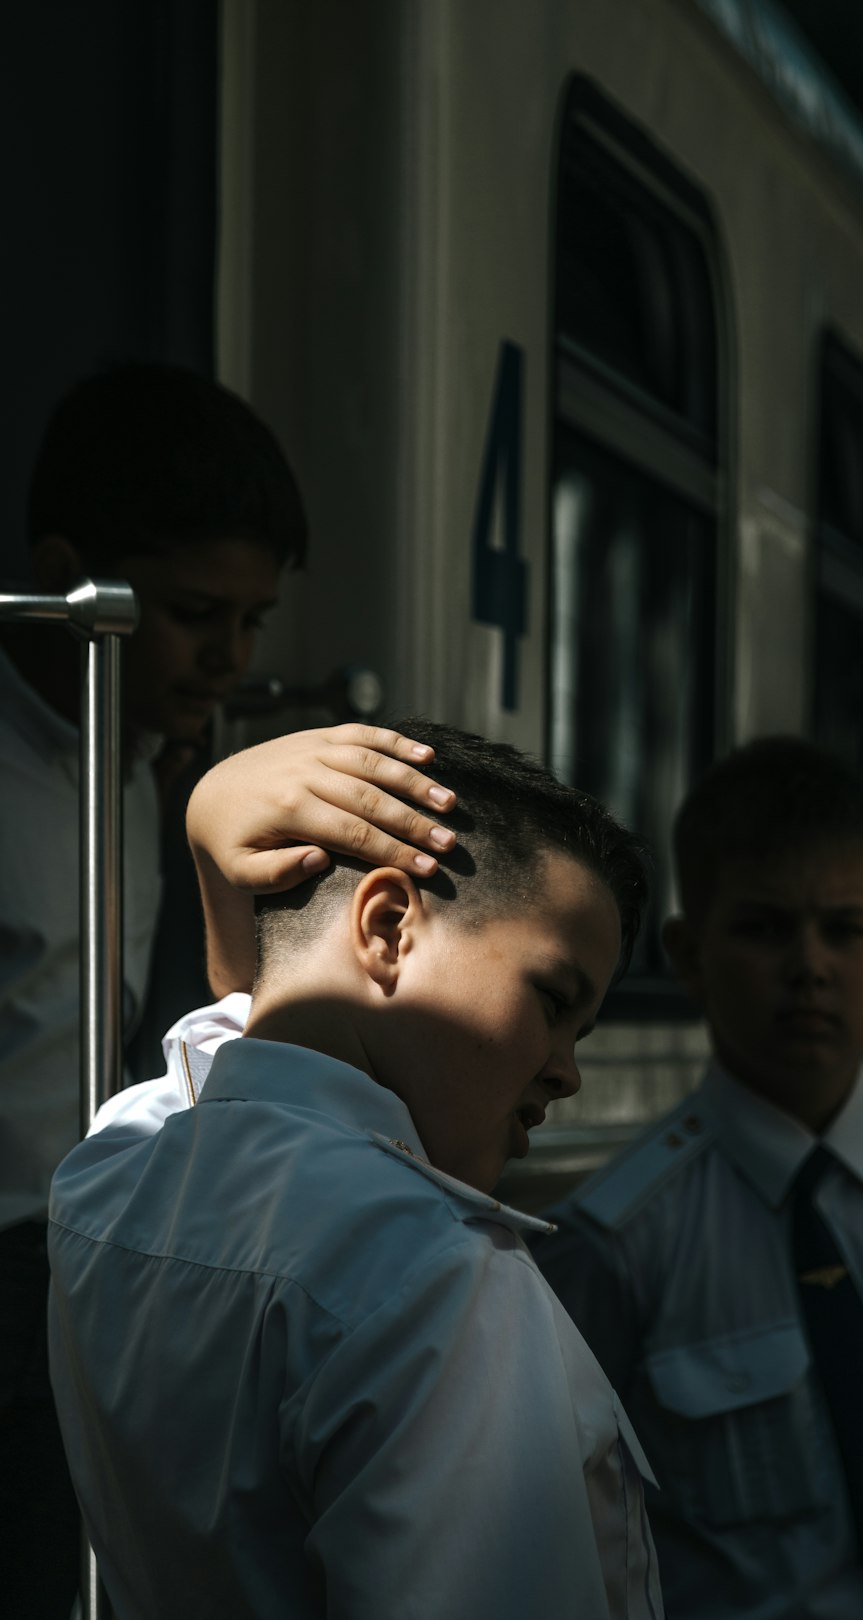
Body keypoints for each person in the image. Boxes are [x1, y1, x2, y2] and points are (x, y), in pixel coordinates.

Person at [0, 363, 456, 1618]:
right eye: (200, 613)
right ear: (64, 580)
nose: (232, 657)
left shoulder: (148, 767)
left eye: (254, 622)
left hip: (73, 1262)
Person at [47, 721, 664, 1619]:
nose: (567, 1071)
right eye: (553, 1001)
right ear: (385, 926)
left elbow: (247, 1049)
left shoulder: (109, 1173)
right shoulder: (438, 1279)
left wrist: (212, 826)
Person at [533, 736, 863, 1620]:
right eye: (763, 928)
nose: (810, 967)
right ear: (688, 955)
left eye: (844, 930)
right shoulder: (615, 1241)